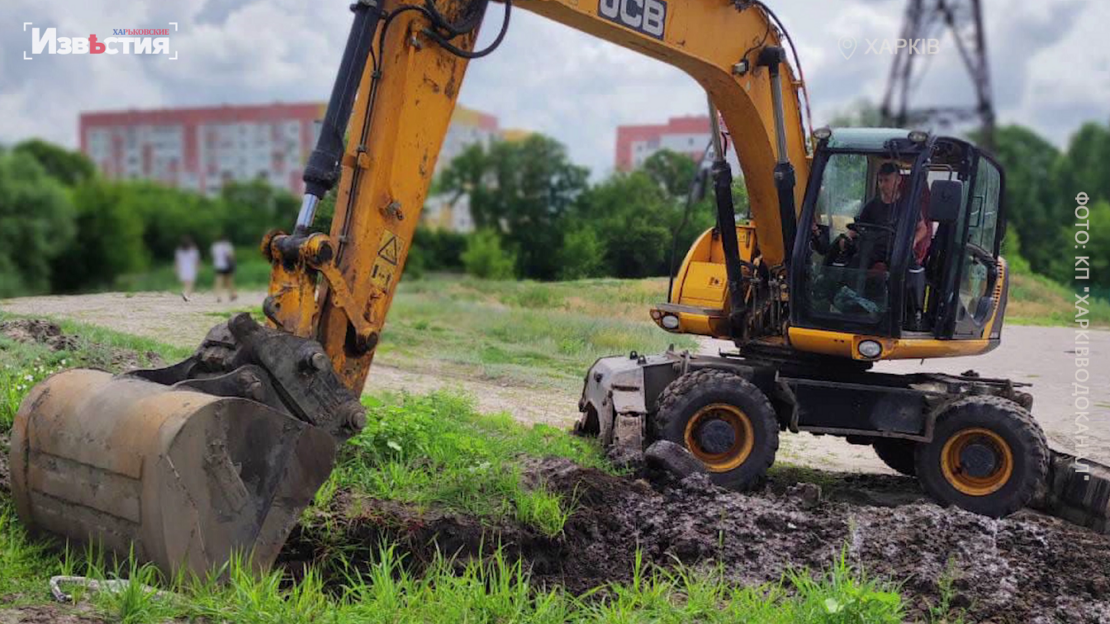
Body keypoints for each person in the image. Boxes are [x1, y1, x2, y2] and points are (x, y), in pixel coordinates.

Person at [211, 234, 237, 303]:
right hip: (227, 265)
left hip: (218, 265)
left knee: (218, 282)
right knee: (229, 281)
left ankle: (218, 296)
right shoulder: (227, 245)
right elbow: (231, 255)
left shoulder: (215, 246)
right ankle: (232, 294)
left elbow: (214, 256)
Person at [175, 236, 200, 302]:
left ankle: (186, 295)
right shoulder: (193, 251)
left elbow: (177, 261)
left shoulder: (179, 251)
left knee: (186, 283)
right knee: (191, 284)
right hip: (191, 268)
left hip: (182, 268)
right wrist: (198, 267)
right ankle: (186, 294)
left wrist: (176, 269)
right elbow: (196, 261)